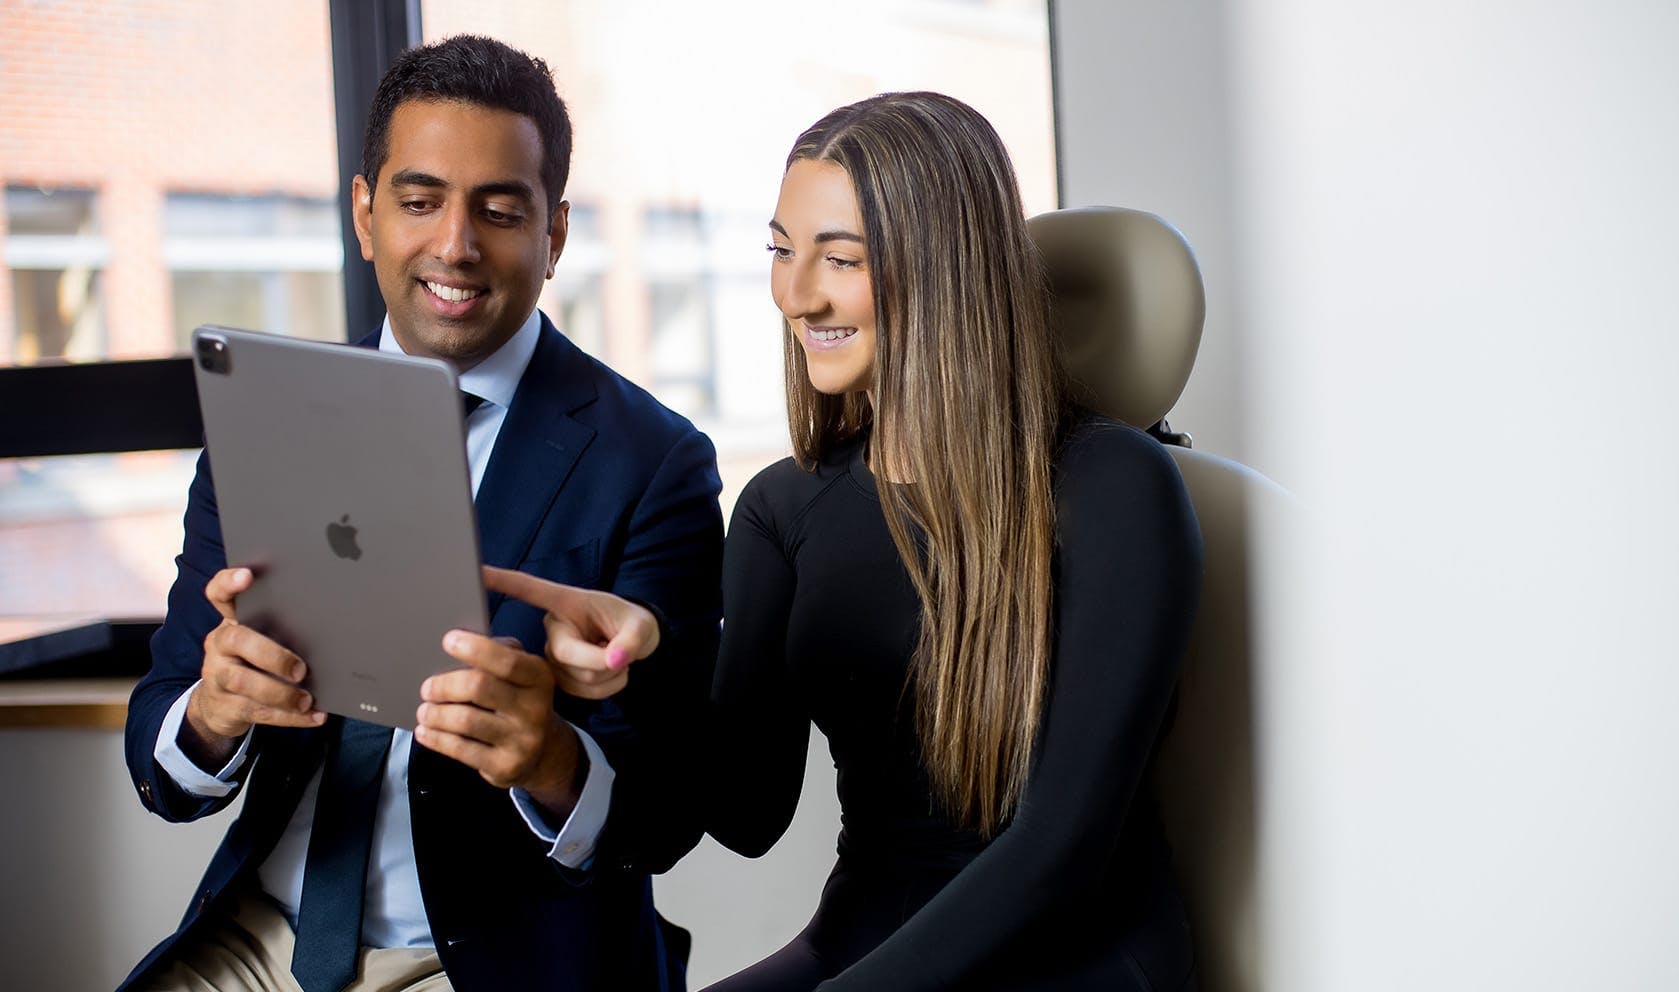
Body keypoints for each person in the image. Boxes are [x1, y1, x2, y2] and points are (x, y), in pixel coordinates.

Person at [505, 92, 1204, 990]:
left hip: (1072, 954)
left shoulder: (1115, 488)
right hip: (862, 944)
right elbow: (748, 813)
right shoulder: (782, 511)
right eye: (781, 250)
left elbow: (1061, 850)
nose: (796, 295)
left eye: (839, 258)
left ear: (940, 268)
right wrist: (644, 660)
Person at [119, 35, 722, 992]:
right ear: (365, 215)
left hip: (495, 960)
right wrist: (215, 713)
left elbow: (671, 813)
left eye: (499, 209)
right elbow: (162, 751)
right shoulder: (265, 420)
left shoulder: (654, 463)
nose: (455, 244)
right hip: (259, 939)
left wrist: (554, 759)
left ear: (554, 234)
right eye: (419, 200)